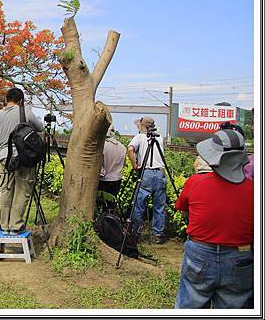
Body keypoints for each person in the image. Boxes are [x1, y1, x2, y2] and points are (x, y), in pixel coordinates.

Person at [174, 129, 253, 309]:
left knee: (190, 307)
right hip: (241, 256)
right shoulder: (254, 190)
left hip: (199, 253)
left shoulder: (195, 183)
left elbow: (185, 212)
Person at [0, 88, 43, 235]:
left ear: (6, 99)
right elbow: (40, 127)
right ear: (20, 100)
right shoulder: (25, 111)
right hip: (22, 158)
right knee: (23, 191)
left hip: (3, 158)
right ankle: (16, 224)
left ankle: (5, 225)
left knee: (5, 191)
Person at [127, 116, 168, 244]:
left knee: (139, 205)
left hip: (146, 173)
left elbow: (130, 149)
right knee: (159, 206)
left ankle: (136, 232)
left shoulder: (139, 137)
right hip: (160, 173)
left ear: (142, 126)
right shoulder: (159, 138)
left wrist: (135, 165)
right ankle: (158, 234)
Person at [97, 125, 126, 212]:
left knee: (100, 204)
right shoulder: (123, 147)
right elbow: (124, 164)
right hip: (116, 180)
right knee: (111, 205)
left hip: (103, 180)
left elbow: (98, 164)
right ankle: (110, 222)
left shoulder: (102, 146)